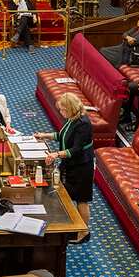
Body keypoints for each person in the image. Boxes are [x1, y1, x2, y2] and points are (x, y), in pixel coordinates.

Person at [35, 92, 93, 244]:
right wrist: (45, 135)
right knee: (62, 192)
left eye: (62, 109)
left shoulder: (83, 123)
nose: (61, 112)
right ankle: (68, 225)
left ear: (71, 108)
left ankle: (84, 232)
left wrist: (55, 154)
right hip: (70, 164)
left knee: (82, 199)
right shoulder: (71, 119)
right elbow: (63, 135)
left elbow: (76, 149)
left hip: (82, 166)